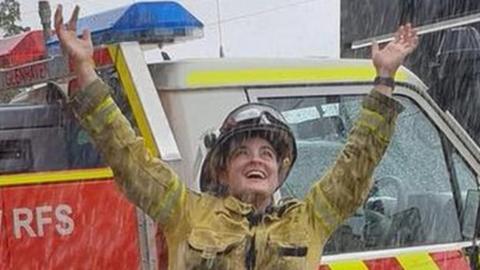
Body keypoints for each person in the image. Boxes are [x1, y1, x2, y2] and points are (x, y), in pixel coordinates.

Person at [55, 4, 418, 270]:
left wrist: (384, 78)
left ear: (279, 170)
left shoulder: (309, 220)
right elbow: (126, 155)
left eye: (266, 153)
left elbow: (358, 160)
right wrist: (85, 70)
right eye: (242, 152)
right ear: (223, 170)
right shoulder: (185, 212)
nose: (256, 158)